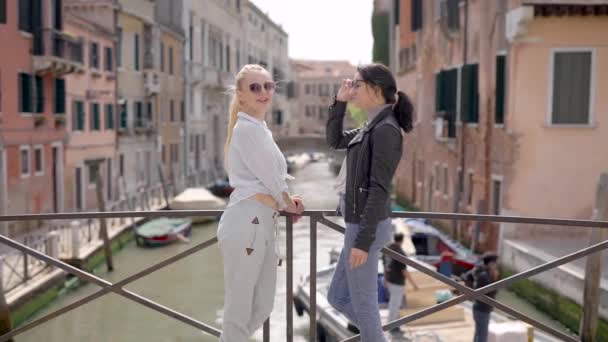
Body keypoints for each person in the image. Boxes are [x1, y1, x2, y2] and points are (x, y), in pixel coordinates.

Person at [326, 63, 414, 341]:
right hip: (358, 224)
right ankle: (375, 334)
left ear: (375, 90)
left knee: (366, 310)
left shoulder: (386, 130)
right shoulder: (371, 126)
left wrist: (362, 242)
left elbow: (379, 190)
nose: (351, 89)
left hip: (367, 228)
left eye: (356, 84)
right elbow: (335, 140)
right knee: (338, 296)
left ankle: (374, 334)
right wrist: (339, 102)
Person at [218, 64, 305, 342]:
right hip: (247, 223)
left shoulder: (259, 129)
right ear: (241, 96)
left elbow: (272, 182)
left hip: (262, 224)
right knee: (238, 312)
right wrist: (288, 203)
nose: (264, 92)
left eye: (268, 85)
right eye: (255, 87)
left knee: (262, 305)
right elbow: (273, 181)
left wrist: (287, 202)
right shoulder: (248, 130)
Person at [383, 233, 419, 336]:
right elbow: (404, 271)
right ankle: (393, 326)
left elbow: (385, 265)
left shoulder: (388, 249)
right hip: (397, 282)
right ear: (402, 240)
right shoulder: (400, 253)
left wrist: (385, 280)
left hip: (390, 280)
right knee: (395, 305)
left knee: (392, 304)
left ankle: (392, 324)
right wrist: (413, 284)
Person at [471, 253, 499, 342]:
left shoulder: (484, 274)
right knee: (482, 335)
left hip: (482, 308)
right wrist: (494, 277)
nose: (496, 265)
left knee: (479, 333)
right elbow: (490, 291)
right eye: (495, 263)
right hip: (482, 309)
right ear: (490, 263)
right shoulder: (484, 276)